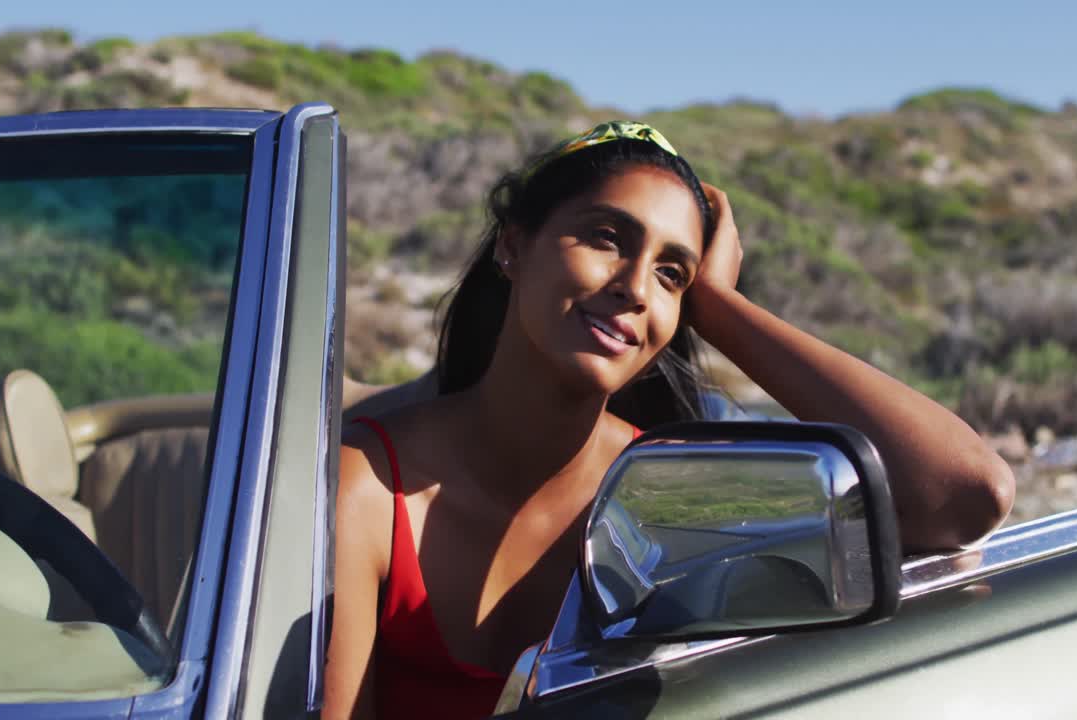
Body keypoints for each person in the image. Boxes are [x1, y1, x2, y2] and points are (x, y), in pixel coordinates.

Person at [324, 121, 1015, 719]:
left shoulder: (673, 487)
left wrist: (718, 309)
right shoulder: (368, 488)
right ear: (513, 245)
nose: (633, 285)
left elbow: (966, 494)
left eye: (671, 273)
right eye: (606, 237)